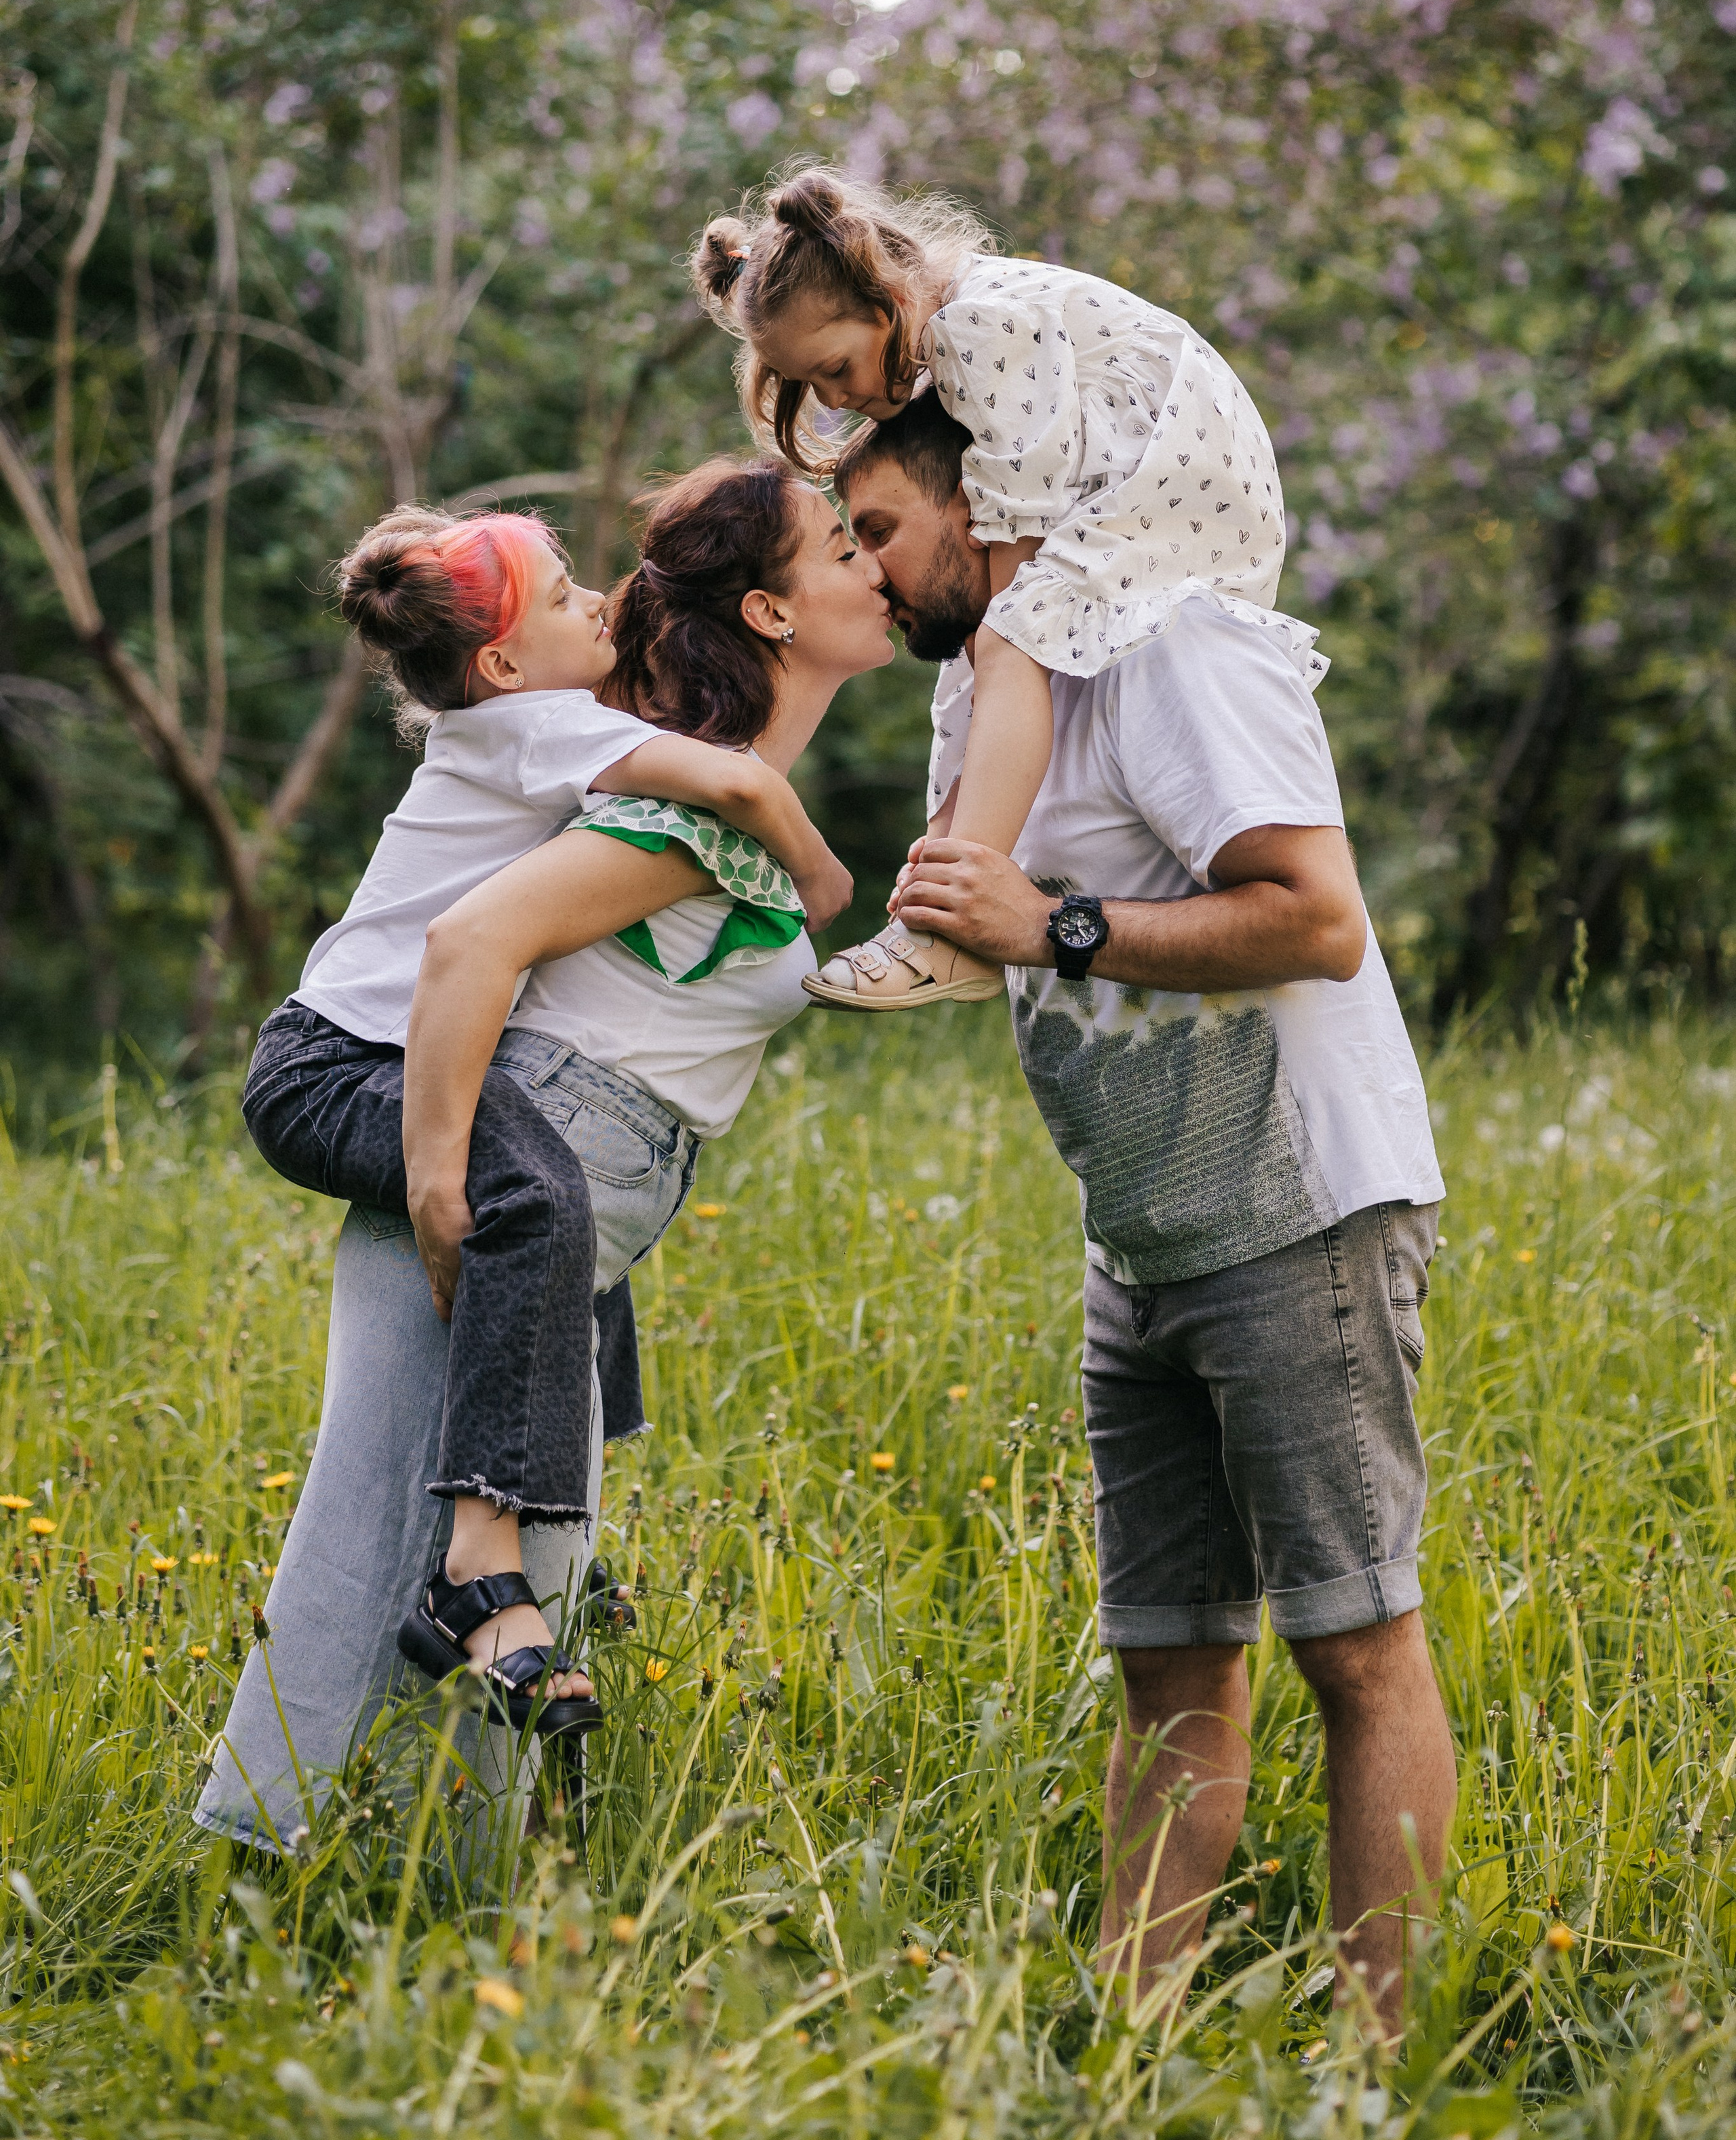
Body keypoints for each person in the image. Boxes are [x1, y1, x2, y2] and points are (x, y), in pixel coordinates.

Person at [829, 393, 1453, 2023]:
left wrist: (1057, 925)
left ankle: (1371, 2075)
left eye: (881, 532)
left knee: (1352, 1644)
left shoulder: (1172, 648)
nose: (866, 572)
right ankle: (1126, 2044)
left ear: (986, 508)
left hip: (1294, 1212)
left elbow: (1313, 921)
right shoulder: (987, 701)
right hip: (1144, 1233)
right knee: (1169, 1665)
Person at [198, 454, 895, 1853]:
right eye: (844, 543)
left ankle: (438, 1888)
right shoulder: (639, 784)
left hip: (547, 1177)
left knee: (505, 1549)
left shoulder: (603, 746)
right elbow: (472, 946)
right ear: (766, 609)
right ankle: (273, 1872)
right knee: (382, 1520)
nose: (875, 562)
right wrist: (445, 1177)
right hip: (437, 1117)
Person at [690, 167, 1321, 1012]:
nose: (837, 399)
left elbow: (1015, 556)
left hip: (1180, 499)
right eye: (814, 384)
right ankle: (939, 901)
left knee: (1002, 644)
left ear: (883, 300)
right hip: (1139, 495)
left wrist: (1003, 650)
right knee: (981, 662)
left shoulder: (975, 325)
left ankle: (952, 922)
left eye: (835, 367)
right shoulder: (956, 330)